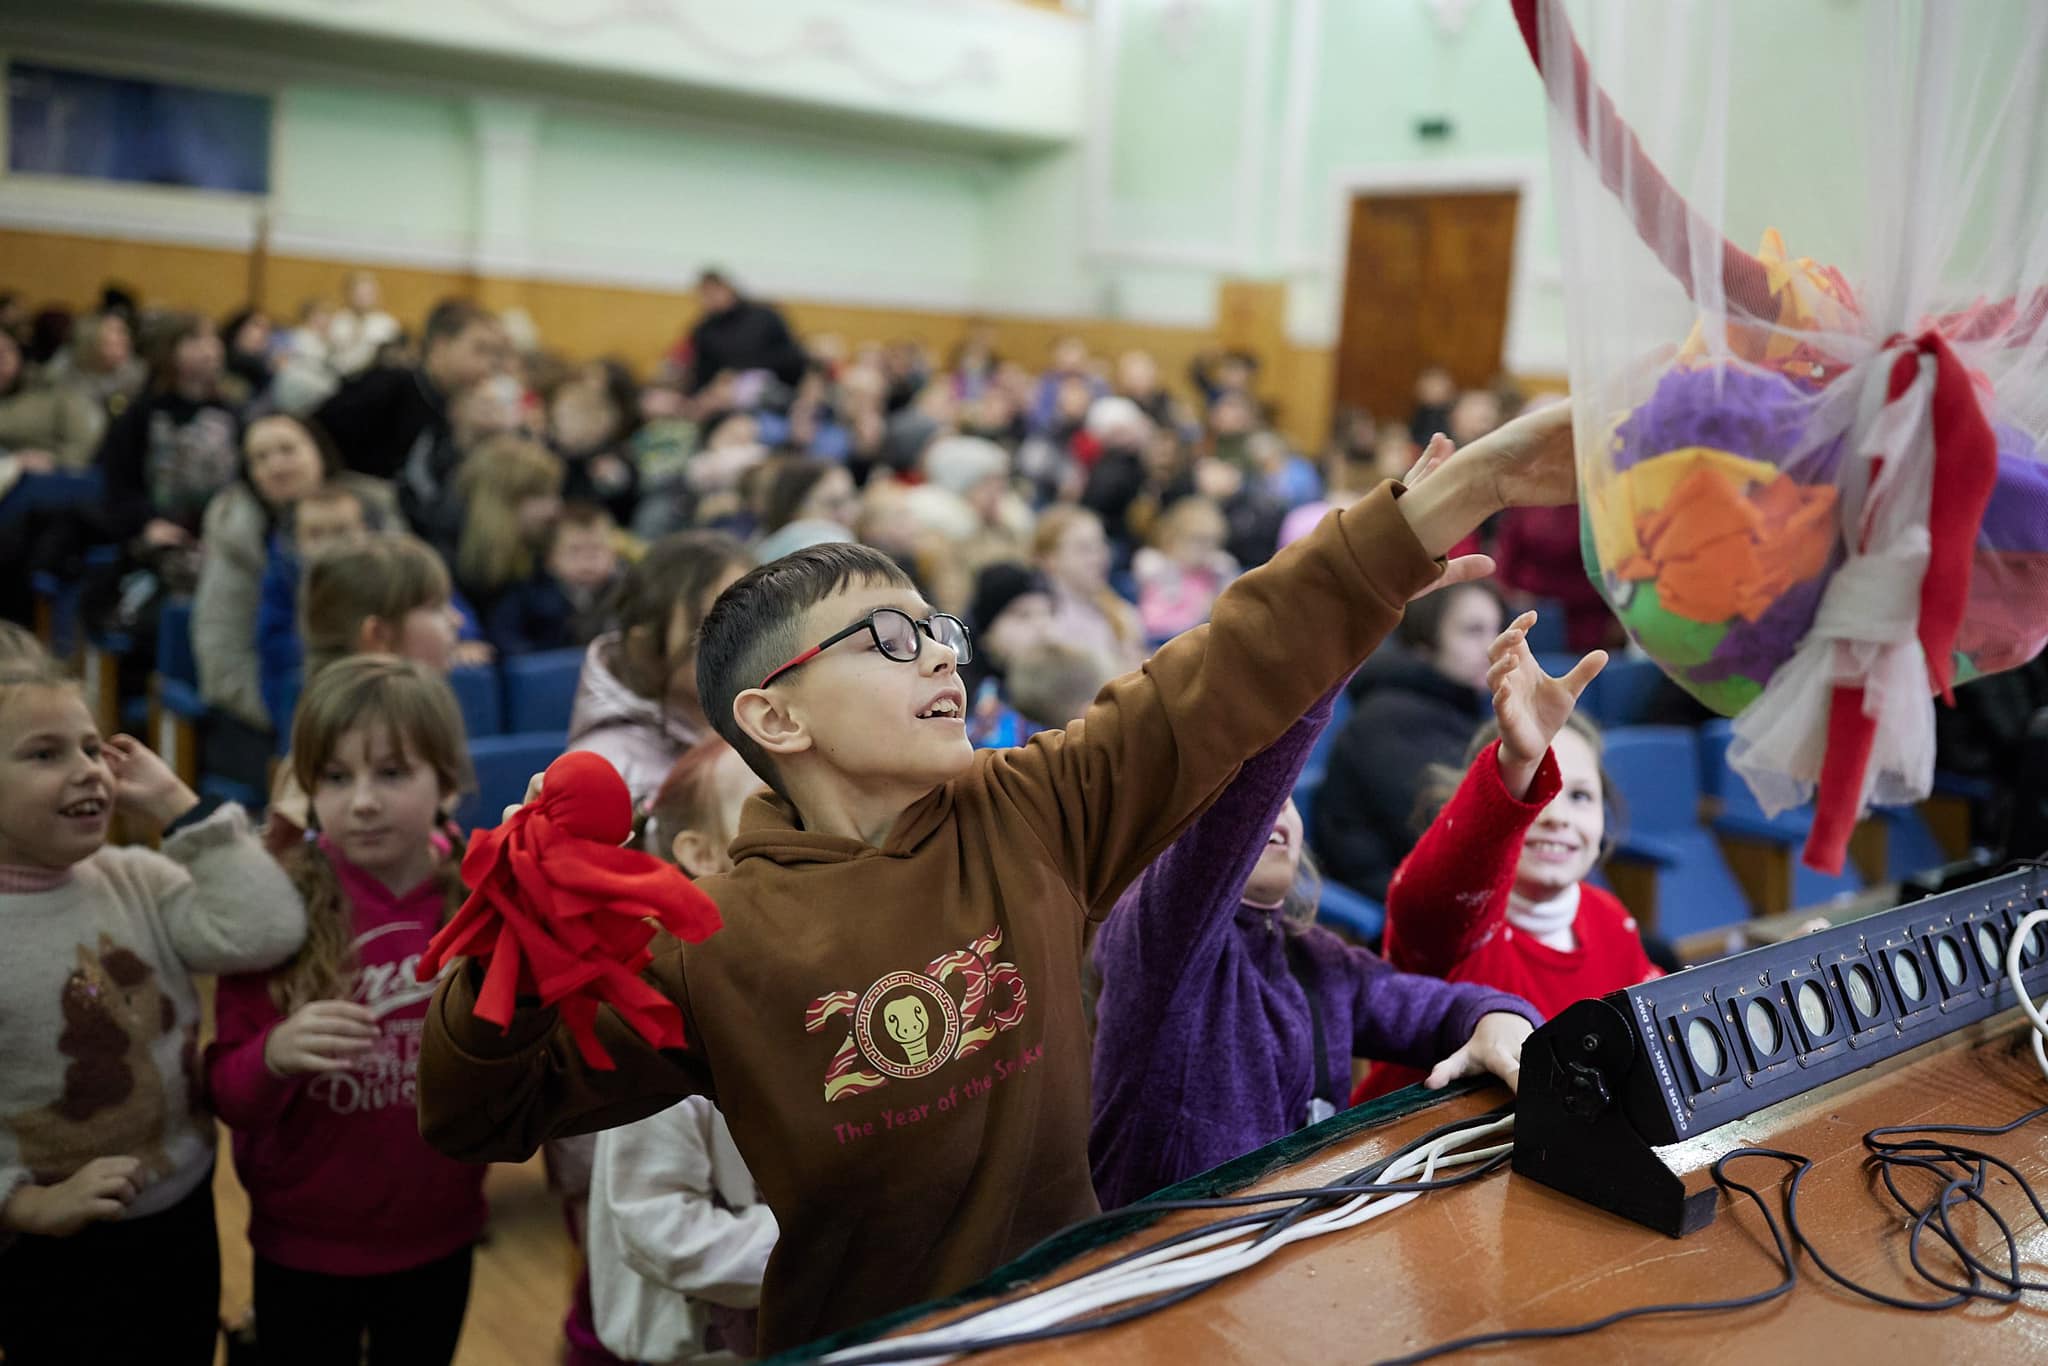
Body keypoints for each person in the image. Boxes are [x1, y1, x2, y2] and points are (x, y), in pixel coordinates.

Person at [416, 402, 1582, 1353]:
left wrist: (1452, 494)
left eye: (937, 632)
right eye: (883, 638)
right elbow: (479, 1115)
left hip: (1065, 1321)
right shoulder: (706, 932)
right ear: (774, 715)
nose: (933, 652)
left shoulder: (1028, 808)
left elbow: (1219, 668)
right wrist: (503, 951)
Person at [1089, 688, 1541, 1209]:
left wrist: (1495, 1018)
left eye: (1284, 799)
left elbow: (1426, 1005)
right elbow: (1230, 824)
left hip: (1290, 1245)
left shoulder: (1317, 955)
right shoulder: (1154, 936)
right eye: (1239, 795)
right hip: (1166, 1258)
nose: (1271, 809)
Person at [0, 647, 306, 1365]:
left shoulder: (136, 877)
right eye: (44, 754)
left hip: (180, 1209)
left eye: (90, 747)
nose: (86, 769)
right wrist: (25, 1206)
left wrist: (179, 807)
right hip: (50, 1245)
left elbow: (266, 928)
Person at [208, 656, 485, 1366]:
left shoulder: (484, 901)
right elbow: (226, 1095)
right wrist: (272, 1054)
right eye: (335, 777)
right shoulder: (274, 907)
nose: (361, 801)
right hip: (302, 1242)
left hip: (440, 1232)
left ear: (447, 781)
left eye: (391, 773)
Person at [1354, 611, 1661, 1104]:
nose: (1558, 817)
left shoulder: (1610, 917)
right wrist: (1518, 761)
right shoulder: (1459, 925)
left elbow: (1657, 1028)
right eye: (1541, 793)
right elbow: (1434, 891)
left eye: (1580, 797)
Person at [586, 737, 776, 1366]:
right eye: (768, 806)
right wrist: (823, 1244)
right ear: (699, 853)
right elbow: (656, 1224)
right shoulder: (660, 1015)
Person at [192, 416, 391, 746]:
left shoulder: (373, 512)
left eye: (288, 449)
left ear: (319, 452)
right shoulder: (237, 539)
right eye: (261, 457)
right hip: (279, 710)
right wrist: (298, 714)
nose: (277, 465)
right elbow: (224, 657)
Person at [265, 533, 465, 854]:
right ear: (378, 635)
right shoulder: (323, 753)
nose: (457, 620)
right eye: (437, 607)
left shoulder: (410, 723)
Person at [1310, 579, 1507, 901]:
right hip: (1399, 898)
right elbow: (1445, 833)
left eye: (1496, 629)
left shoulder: (1453, 703)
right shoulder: (1389, 718)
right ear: (1424, 641)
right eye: (1473, 631)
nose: (1493, 647)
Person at [565, 531, 752, 810]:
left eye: (755, 617)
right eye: (716, 624)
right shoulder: (606, 770)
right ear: (646, 646)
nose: (748, 640)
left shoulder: (766, 720)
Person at [94, 313, 243, 554]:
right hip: (153, 533)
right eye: (195, 339)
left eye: (213, 338)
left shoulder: (233, 411)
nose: (210, 348)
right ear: (169, 351)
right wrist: (145, 523)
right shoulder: (143, 412)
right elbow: (118, 482)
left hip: (218, 535)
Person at [313, 299, 507, 481]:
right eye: (480, 350)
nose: (489, 365)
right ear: (441, 345)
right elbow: (316, 432)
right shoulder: (385, 387)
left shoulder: (457, 406)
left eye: (495, 353)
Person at [255, 485, 380, 734]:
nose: (329, 544)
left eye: (341, 532)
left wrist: (464, 639)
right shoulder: (283, 580)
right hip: (304, 691)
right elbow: (274, 644)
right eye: (315, 534)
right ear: (297, 541)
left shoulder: (383, 572)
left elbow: (439, 603)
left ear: (365, 532)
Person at [445, 434, 564, 618]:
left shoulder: (537, 554)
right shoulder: (450, 562)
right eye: (540, 495)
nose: (554, 508)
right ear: (503, 502)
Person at [484, 502, 623, 657]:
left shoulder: (624, 594)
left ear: (614, 555)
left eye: (596, 549)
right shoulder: (529, 595)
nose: (587, 560)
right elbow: (504, 634)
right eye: (574, 551)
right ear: (550, 559)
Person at [1033, 505, 1146, 675]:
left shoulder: (1119, 609)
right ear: (1050, 560)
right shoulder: (1044, 621)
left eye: (1101, 545)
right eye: (1083, 549)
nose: (1098, 558)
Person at [677, 271, 806, 397]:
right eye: (705, 294)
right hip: (720, 391)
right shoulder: (704, 329)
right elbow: (701, 371)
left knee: (742, 386)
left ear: (729, 289)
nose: (711, 299)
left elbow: (791, 357)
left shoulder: (765, 317)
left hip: (773, 384)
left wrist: (740, 371)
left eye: (715, 292)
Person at [1133, 495, 1237, 643]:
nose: (1207, 549)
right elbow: (1153, 624)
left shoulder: (1218, 571)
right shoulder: (1161, 572)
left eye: (1213, 541)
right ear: (1174, 538)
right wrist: (1199, 614)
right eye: (1198, 541)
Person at [324, 271, 403, 380]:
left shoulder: (387, 324)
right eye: (358, 293)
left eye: (367, 293)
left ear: (376, 295)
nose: (362, 298)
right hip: (337, 379)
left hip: (373, 381)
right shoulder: (337, 320)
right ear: (348, 294)